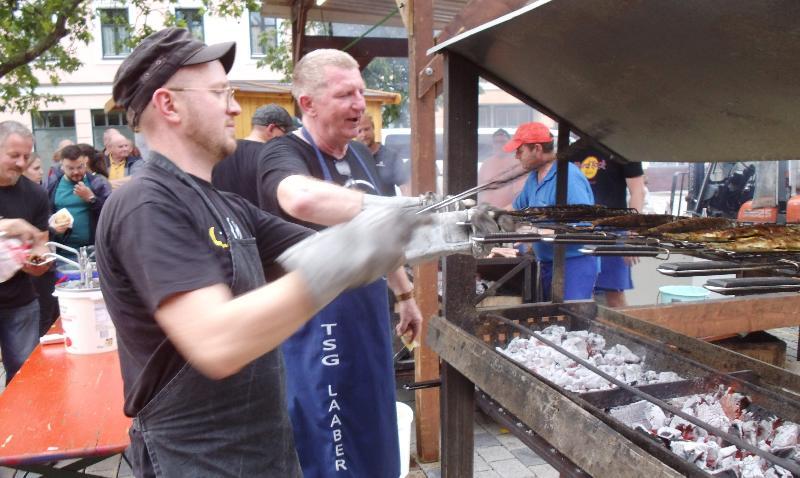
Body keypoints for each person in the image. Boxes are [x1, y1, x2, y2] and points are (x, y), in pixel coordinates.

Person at [97, 28, 425, 477]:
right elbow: (217, 341)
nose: (234, 107)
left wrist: (426, 224)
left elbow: (319, 246)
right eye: (219, 93)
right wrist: (353, 250)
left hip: (264, 448)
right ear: (168, 104)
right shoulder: (146, 204)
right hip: (198, 458)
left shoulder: (228, 205)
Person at [249, 49, 423, 478]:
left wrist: (404, 293)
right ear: (307, 103)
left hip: (367, 319)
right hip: (316, 325)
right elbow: (301, 198)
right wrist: (399, 209)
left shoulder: (360, 154)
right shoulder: (282, 153)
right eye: (346, 94)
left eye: (361, 93)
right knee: (330, 442)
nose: (360, 105)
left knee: (376, 426)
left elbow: (379, 236)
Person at [508, 122, 598, 301]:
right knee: (551, 321)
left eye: (520, 150)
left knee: (571, 323)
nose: (516, 156)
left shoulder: (569, 178)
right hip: (548, 262)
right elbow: (516, 208)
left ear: (537, 149)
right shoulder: (534, 177)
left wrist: (538, 232)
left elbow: (586, 225)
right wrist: (488, 213)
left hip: (574, 264)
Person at [0, 121, 51, 383]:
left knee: (23, 374)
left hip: (19, 300)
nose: (21, 163)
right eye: (13, 155)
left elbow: (42, 242)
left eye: (26, 156)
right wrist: (7, 224)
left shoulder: (35, 194)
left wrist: (40, 261)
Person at [569, 140, 646, 307]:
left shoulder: (623, 147)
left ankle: (622, 332)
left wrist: (632, 234)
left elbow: (638, 191)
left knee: (615, 293)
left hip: (614, 230)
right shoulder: (572, 150)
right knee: (581, 293)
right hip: (579, 230)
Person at [211, 103, 296, 202]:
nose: (286, 137)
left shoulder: (223, 152)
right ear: (271, 128)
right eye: (285, 132)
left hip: (223, 215)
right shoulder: (272, 157)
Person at [47, 144, 111, 256]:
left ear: (85, 163)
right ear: (62, 166)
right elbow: (43, 215)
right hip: (61, 251)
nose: (76, 172)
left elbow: (111, 214)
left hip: (93, 252)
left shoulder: (98, 183)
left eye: (80, 167)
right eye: (70, 168)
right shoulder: (52, 184)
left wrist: (92, 199)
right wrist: (53, 228)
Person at [355, 113, 408, 196]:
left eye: (366, 129)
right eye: (359, 131)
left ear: (373, 128)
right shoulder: (352, 157)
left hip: (388, 208)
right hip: (362, 208)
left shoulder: (391, 156)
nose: (363, 135)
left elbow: (406, 188)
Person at [477, 128, 528, 208]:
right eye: (496, 142)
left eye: (502, 142)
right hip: (485, 212)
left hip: (507, 214)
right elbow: (479, 190)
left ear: (509, 143)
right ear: (492, 144)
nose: (499, 145)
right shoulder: (486, 164)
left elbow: (519, 193)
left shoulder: (517, 164)